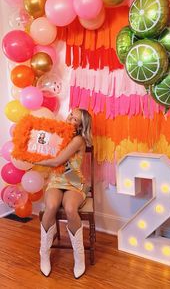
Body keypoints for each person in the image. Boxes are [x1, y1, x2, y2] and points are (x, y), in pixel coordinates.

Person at [36, 108, 92, 278]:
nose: (69, 118)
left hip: (73, 182)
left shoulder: (78, 140)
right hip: (56, 181)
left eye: (74, 119)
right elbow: (42, 146)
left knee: (70, 209)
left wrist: (32, 160)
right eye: (70, 115)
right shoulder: (57, 136)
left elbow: (58, 161)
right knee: (51, 206)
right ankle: (44, 254)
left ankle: (79, 256)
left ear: (81, 125)